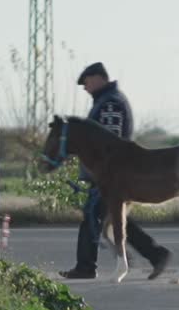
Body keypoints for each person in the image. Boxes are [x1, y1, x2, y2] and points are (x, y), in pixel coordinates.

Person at [59, 61, 172, 280]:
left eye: (87, 82)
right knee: (113, 219)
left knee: (92, 217)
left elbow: (110, 142)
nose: (85, 87)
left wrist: (100, 172)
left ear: (99, 78)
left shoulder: (110, 103)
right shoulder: (106, 101)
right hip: (108, 174)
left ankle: (86, 267)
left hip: (111, 174)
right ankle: (155, 254)